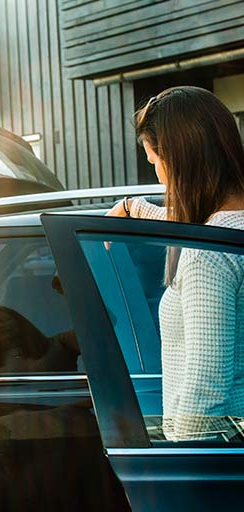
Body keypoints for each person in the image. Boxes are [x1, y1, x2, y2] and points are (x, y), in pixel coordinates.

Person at [107, 86, 244, 440]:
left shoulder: (207, 254)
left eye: (154, 162)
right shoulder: (228, 231)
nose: (158, 176)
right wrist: (132, 207)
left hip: (218, 457)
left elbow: (206, 389)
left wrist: (181, 466)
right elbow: (199, 220)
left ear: (176, 159)